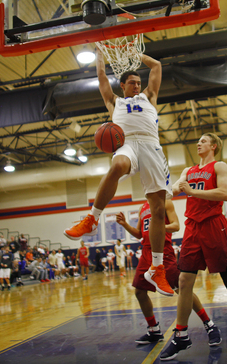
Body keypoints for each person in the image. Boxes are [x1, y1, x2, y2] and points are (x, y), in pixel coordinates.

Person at [64, 49, 173, 296]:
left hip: (151, 145)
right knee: (117, 165)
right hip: (126, 143)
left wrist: (136, 52)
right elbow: (101, 74)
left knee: (158, 209)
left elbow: (156, 65)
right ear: (122, 85)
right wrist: (100, 52)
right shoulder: (115, 102)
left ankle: (157, 268)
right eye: (131, 83)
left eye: (138, 82)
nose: (136, 85)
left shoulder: (150, 96)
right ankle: (92, 219)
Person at [160, 133, 227, 360]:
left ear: (214, 146)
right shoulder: (188, 171)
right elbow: (171, 191)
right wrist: (156, 187)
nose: (198, 143)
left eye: (203, 141)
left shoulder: (219, 166)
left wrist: (193, 192)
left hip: (214, 224)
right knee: (184, 280)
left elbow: (225, 193)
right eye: (198, 141)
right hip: (192, 227)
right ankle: (181, 335)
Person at [116, 199, 220, 347]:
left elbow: (176, 225)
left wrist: (159, 227)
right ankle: (154, 330)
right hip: (146, 251)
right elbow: (139, 234)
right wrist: (125, 224)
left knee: (182, 289)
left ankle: (209, 324)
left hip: (163, 250)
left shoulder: (165, 202)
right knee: (139, 292)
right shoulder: (142, 207)